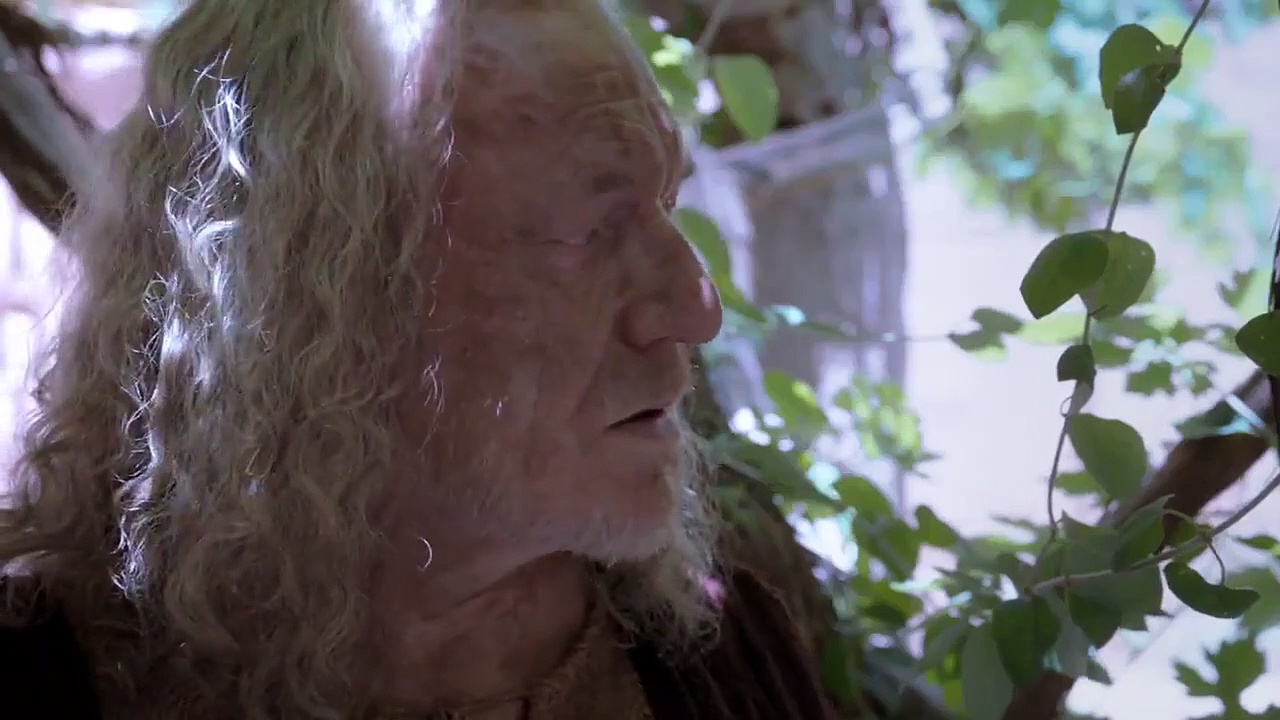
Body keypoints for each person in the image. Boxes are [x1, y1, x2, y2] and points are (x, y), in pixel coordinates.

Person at [0, 1, 836, 719]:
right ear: (315, 294)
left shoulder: (726, 662)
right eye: (590, 231)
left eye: (665, 205)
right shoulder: (48, 679)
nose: (694, 308)